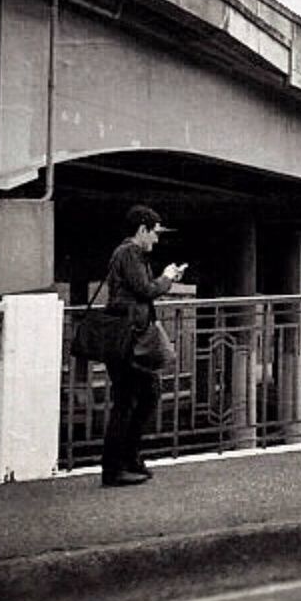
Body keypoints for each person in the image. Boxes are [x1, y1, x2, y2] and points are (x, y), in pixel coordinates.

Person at [99, 204, 188, 488]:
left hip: (133, 337)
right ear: (142, 229)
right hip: (127, 339)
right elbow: (145, 290)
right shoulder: (128, 253)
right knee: (127, 402)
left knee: (147, 395)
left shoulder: (132, 254)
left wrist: (165, 279)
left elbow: (142, 291)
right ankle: (114, 470)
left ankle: (129, 459)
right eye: (155, 233)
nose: (157, 239)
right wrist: (167, 278)